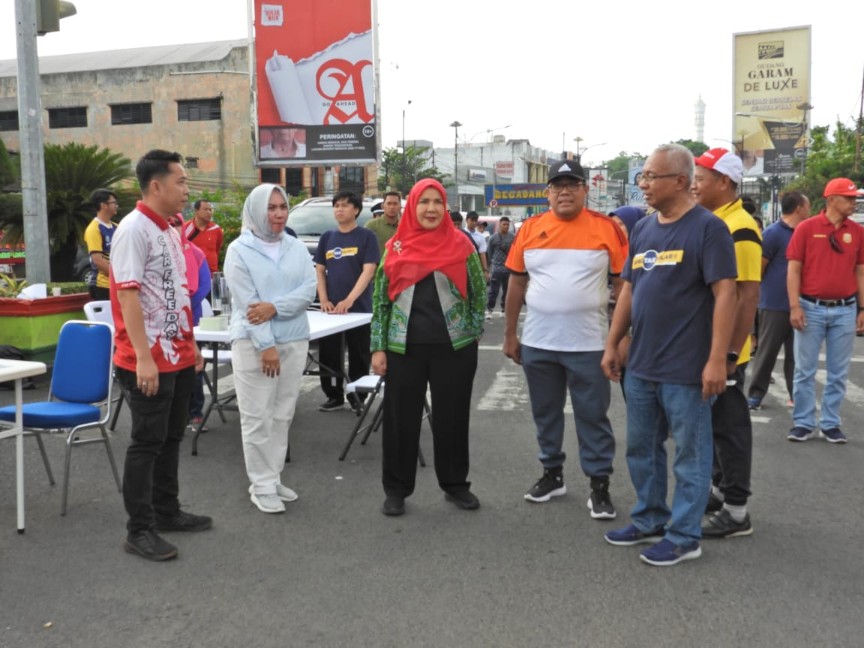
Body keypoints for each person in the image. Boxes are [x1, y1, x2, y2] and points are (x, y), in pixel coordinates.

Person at [601, 143, 737, 566]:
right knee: (642, 448)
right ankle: (649, 518)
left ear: (679, 181)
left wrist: (718, 358)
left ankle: (684, 535)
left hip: (686, 369)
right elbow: (629, 289)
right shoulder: (643, 228)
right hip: (641, 364)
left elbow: (726, 293)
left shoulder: (708, 228)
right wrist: (613, 342)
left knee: (690, 456)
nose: (643, 184)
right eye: (642, 176)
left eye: (650, 177)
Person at [503, 159, 627, 521]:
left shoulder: (607, 229)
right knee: (545, 413)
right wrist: (510, 334)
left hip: (589, 344)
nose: (565, 191)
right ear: (547, 193)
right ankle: (552, 473)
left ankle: (599, 485)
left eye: (573, 184)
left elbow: (624, 286)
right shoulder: (530, 229)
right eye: (558, 185)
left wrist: (620, 339)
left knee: (593, 416)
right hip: (539, 342)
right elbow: (516, 283)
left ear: (586, 190)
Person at [110, 149, 211, 562]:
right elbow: (128, 294)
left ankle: (167, 511)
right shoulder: (133, 229)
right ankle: (139, 529)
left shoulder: (171, 229)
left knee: (171, 437)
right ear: (156, 186)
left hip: (179, 353)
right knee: (146, 443)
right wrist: (144, 358)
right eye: (181, 182)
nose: (187, 189)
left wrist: (193, 345)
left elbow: (178, 295)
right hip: (147, 359)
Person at [371, 178, 485, 516]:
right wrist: (378, 347)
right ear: (413, 207)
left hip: (455, 348)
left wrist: (474, 330)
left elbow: (479, 291)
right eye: (424, 202)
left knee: (452, 419)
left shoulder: (461, 245)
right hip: (403, 348)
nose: (431, 208)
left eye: (437, 202)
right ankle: (396, 490)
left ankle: (455, 485)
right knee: (399, 421)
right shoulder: (395, 248)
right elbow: (380, 300)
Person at [224, 184, 317, 513]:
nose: (278, 214)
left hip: (294, 338)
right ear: (256, 210)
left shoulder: (295, 247)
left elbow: (308, 290)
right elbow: (248, 303)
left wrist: (275, 307)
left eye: (282, 207)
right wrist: (266, 346)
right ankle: (260, 485)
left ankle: (272, 476)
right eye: (271, 208)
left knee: (282, 414)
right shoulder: (238, 250)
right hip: (254, 344)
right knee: (256, 416)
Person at [692, 147, 762, 540]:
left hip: (727, 352)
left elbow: (747, 295)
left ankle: (737, 511)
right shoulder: (715, 221)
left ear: (724, 182)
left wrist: (730, 354)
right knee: (717, 426)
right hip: (709, 346)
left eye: (701, 178)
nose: (695, 185)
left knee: (731, 428)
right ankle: (720, 490)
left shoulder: (740, 228)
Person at [786, 178, 864, 443]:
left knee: (838, 372)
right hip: (810, 307)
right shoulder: (807, 229)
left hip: (845, 309)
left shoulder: (857, 231)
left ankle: (830, 423)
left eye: (855, 198)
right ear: (831, 200)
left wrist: (862, 308)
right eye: (849, 198)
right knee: (804, 370)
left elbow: (860, 272)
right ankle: (803, 422)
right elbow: (793, 268)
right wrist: (795, 306)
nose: (854, 203)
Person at [314, 191, 380, 411]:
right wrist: (323, 299)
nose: (339, 209)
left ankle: (357, 396)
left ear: (356, 210)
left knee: (359, 354)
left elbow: (368, 271)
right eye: (336, 206)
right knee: (329, 352)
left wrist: (350, 300)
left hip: (359, 309)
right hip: (332, 310)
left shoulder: (366, 237)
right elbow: (320, 271)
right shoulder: (327, 238)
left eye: (344, 205)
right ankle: (334, 396)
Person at [747, 191, 810, 410]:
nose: (809, 210)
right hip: (774, 304)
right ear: (799, 208)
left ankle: (796, 395)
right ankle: (755, 394)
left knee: (797, 356)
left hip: (801, 304)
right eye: (808, 206)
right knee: (767, 352)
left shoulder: (805, 233)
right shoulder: (773, 233)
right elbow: (760, 268)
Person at [168, 215, 211, 432]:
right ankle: (174, 415)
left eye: (176, 223)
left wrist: (183, 305)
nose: (172, 227)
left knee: (193, 369)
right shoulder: (157, 251)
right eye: (167, 223)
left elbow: (204, 286)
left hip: (191, 320)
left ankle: (195, 413)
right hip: (164, 323)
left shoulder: (195, 253)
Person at [84, 189, 118, 300]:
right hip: (102, 286)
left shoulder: (117, 227)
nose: (117, 206)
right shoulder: (94, 229)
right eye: (114, 203)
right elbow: (97, 260)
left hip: (116, 284)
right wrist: (117, 276)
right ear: (104, 205)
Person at [184, 199, 224, 274]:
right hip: (192, 274)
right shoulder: (185, 229)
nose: (209, 212)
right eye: (205, 209)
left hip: (211, 274)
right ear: (196, 211)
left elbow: (217, 250)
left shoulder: (216, 229)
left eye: (210, 210)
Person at [486, 216, 514, 315]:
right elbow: (489, 253)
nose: (506, 226)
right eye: (504, 224)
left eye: (507, 224)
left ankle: (504, 309)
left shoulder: (512, 237)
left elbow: (515, 252)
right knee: (494, 291)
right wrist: (488, 269)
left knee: (507, 291)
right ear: (500, 225)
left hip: (509, 269)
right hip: (496, 269)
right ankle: (490, 309)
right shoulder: (493, 238)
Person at [366, 191, 401, 256]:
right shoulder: (372, 226)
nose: (392, 207)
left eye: (395, 204)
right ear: (383, 206)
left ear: (400, 206)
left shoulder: (405, 227)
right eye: (389, 204)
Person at [465, 212, 489, 279]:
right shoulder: (461, 233)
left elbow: (482, 254)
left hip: (475, 265)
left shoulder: (480, 236)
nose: (474, 223)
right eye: (472, 220)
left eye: (475, 221)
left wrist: (485, 270)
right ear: (466, 220)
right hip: (463, 266)